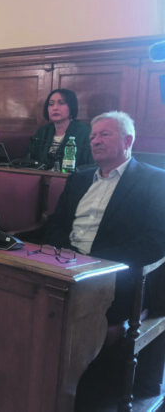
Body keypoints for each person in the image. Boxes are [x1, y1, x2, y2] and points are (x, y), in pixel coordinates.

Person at [44, 111, 165, 326]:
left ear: (127, 141)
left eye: (104, 135)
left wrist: (96, 262)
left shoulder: (155, 181)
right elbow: (56, 223)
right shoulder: (78, 179)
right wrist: (67, 254)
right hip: (65, 265)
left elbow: (156, 240)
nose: (95, 141)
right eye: (92, 137)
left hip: (115, 275)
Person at [26, 88, 93, 170]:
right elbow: (28, 161)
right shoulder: (43, 132)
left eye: (61, 103)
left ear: (71, 106)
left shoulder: (85, 133)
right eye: (51, 104)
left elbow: (92, 166)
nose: (55, 108)